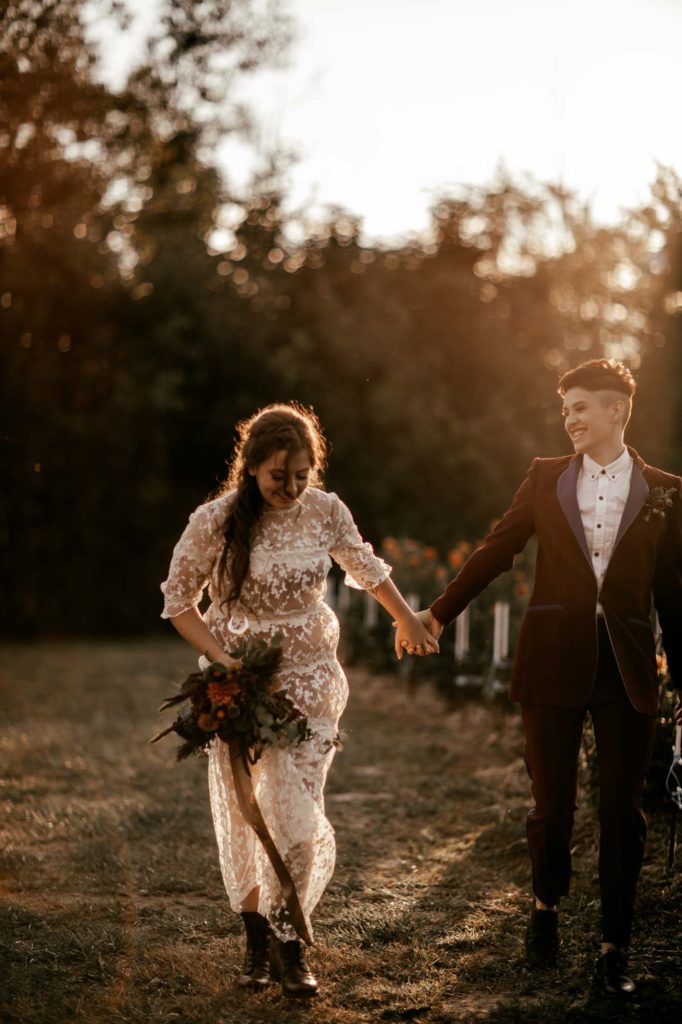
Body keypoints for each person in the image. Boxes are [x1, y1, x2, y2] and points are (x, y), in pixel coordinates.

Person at [408, 359, 682, 996]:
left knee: (623, 811)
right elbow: (495, 549)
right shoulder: (544, 478)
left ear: (618, 410)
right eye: (565, 410)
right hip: (552, 662)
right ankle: (545, 913)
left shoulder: (668, 491)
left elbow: (672, 595)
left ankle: (615, 949)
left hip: (629, 670)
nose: (570, 420)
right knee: (551, 807)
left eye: (581, 407)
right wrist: (438, 613)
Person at [160, 402, 437, 999]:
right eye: (277, 476)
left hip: (314, 684)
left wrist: (408, 619)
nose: (290, 488)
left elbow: (365, 568)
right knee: (251, 813)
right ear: (251, 468)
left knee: (298, 812)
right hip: (245, 691)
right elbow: (179, 602)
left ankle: (290, 947)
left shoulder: (326, 510)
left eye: (302, 475)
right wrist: (223, 661)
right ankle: (257, 943)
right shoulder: (215, 521)